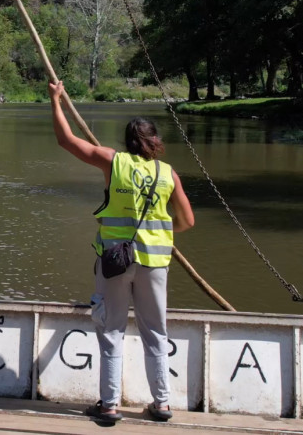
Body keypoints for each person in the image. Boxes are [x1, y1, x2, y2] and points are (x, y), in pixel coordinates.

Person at [48, 81, 194, 423]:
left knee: (112, 330)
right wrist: (159, 231)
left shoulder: (113, 163)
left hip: (115, 261)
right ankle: (162, 404)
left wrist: (55, 100)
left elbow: (66, 141)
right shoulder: (167, 173)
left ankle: (110, 405)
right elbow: (187, 221)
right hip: (155, 263)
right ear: (155, 141)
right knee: (156, 332)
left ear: (127, 141)